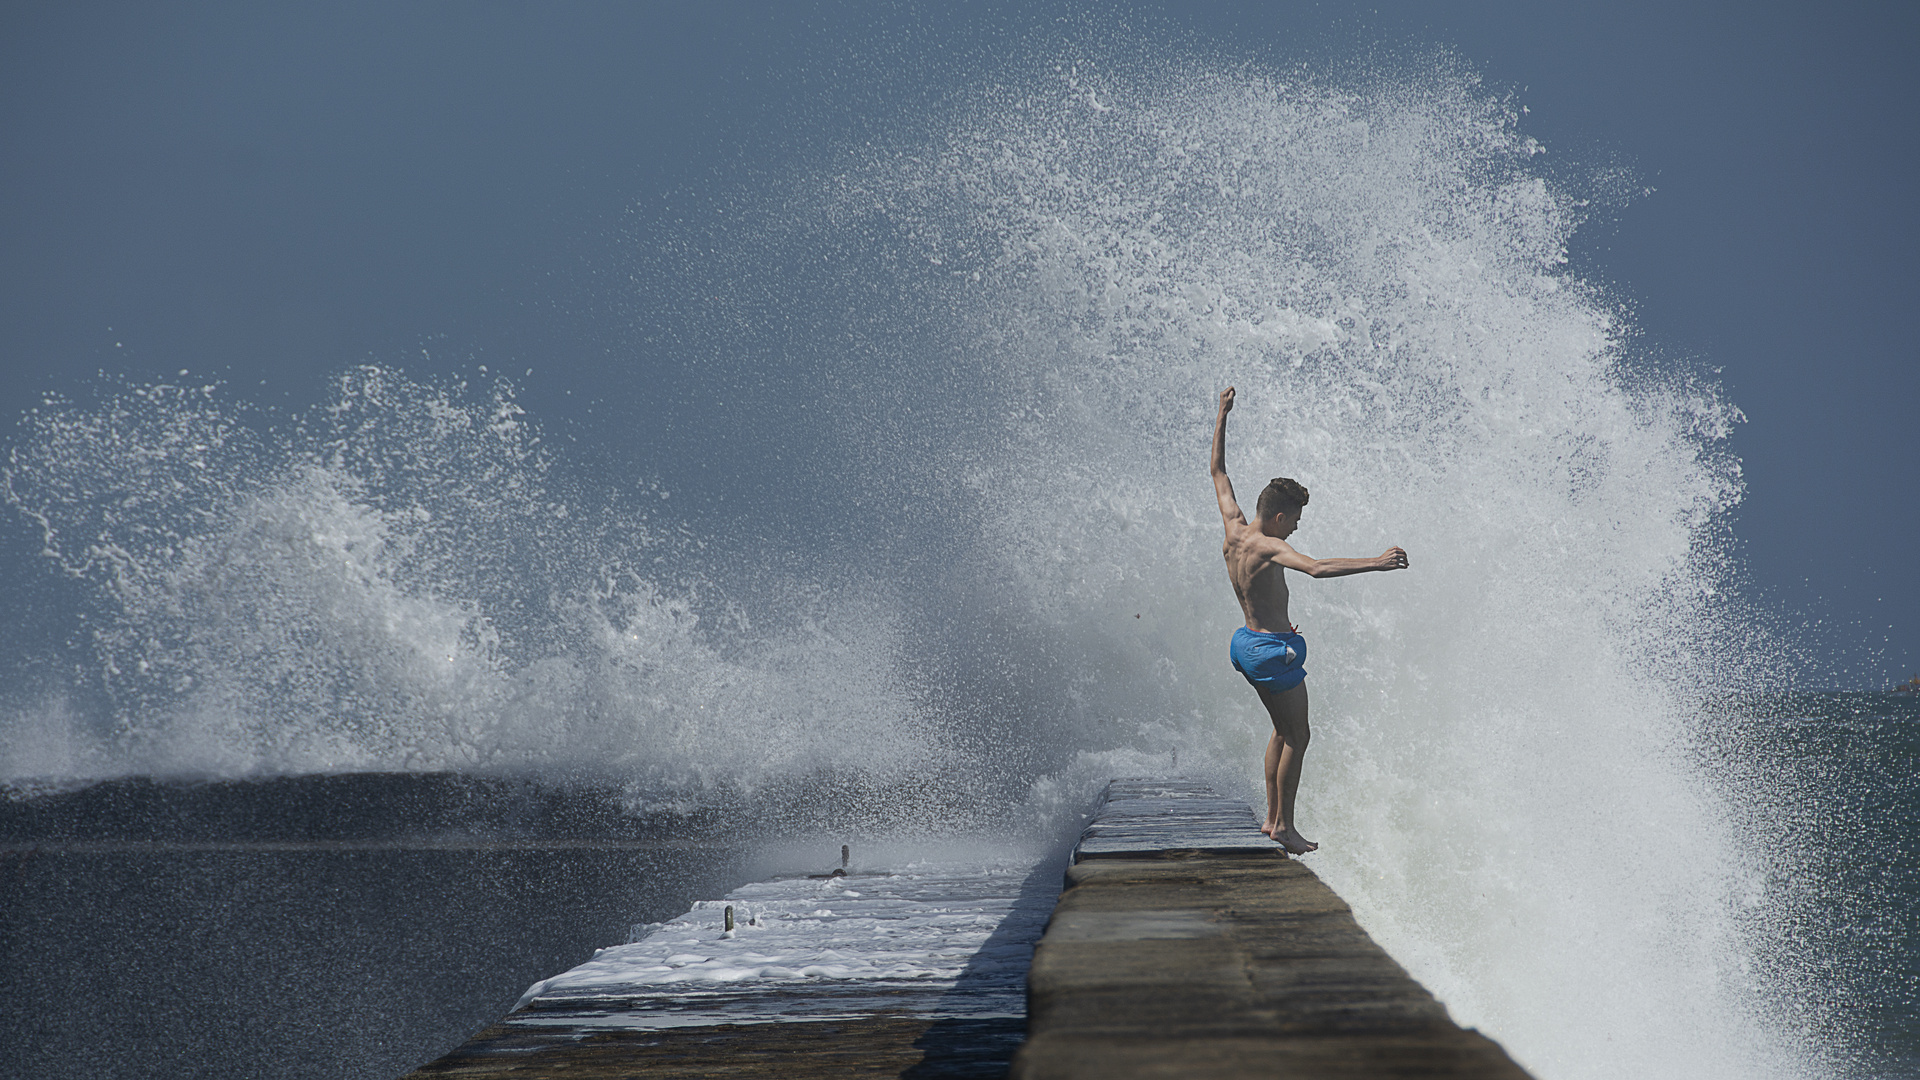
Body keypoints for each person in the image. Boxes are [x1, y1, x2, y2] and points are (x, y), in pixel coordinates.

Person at [1210, 386, 1408, 854]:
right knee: (1299, 735)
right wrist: (1377, 562)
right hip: (1270, 651)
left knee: (1281, 729)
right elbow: (1317, 568)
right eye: (1295, 520)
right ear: (1278, 517)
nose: (1297, 527)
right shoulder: (1272, 546)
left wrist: (1222, 414)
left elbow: (1218, 471)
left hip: (1246, 641)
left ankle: (1271, 819)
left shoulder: (1234, 528)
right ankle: (1285, 827)